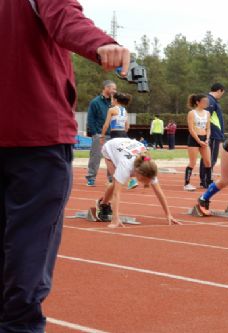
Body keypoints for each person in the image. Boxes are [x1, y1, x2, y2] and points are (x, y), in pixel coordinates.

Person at [0, 1, 130, 332]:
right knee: (27, 255)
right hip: (37, 138)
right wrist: (101, 44)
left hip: (32, 137)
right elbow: (64, 18)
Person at [98, 138, 180, 227]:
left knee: (119, 181)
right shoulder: (125, 165)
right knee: (115, 184)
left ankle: (104, 203)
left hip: (127, 145)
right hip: (109, 147)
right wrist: (115, 219)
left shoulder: (149, 167)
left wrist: (168, 214)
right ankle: (103, 204)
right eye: (145, 181)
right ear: (138, 172)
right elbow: (116, 194)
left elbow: (159, 192)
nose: (146, 184)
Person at [101, 92, 139, 190]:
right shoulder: (125, 111)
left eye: (112, 99)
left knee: (112, 158)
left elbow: (106, 125)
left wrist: (102, 136)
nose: (111, 101)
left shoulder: (111, 110)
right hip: (124, 135)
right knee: (126, 157)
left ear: (116, 100)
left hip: (115, 135)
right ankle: (132, 179)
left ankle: (114, 181)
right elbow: (127, 126)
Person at [85, 80, 117, 186]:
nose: (115, 91)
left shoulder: (113, 103)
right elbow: (90, 118)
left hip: (112, 134)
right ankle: (91, 178)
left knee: (112, 157)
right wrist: (94, 132)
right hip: (98, 133)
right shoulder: (95, 102)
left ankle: (111, 178)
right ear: (106, 88)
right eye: (113, 88)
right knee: (95, 156)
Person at [199, 83, 225, 188]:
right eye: (222, 93)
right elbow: (204, 117)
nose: (221, 95)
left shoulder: (211, 101)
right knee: (210, 158)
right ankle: (206, 180)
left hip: (214, 133)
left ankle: (205, 179)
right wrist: (207, 133)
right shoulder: (210, 101)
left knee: (208, 157)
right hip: (213, 134)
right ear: (219, 90)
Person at [184, 94, 212, 191]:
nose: (206, 103)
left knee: (208, 162)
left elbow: (208, 128)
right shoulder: (192, 113)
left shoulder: (208, 113)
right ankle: (187, 184)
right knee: (193, 162)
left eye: (207, 102)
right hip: (194, 139)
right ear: (198, 102)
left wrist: (207, 139)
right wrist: (199, 141)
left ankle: (208, 182)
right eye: (204, 101)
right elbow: (191, 129)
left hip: (204, 139)